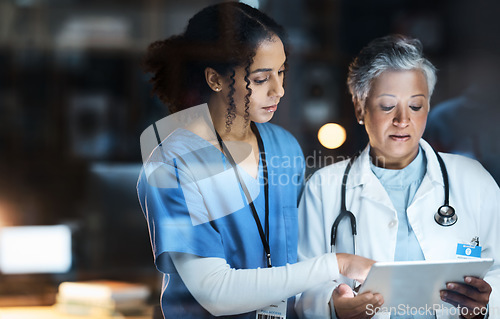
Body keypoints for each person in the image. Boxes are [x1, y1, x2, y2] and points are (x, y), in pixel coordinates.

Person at [137, 3, 377, 318]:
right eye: (262, 79)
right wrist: (335, 264)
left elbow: (300, 261)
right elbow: (215, 293)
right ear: (215, 79)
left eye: (281, 73)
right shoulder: (172, 164)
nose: (279, 90)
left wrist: (334, 300)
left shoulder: (284, 148)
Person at [296, 34, 500, 319]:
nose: (403, 120)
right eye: (387, 105)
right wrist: (332, 307)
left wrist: (485, 306)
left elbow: (498, 271)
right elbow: (301, 285)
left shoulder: (473, 180)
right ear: (359, 107)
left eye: (415, 106)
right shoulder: (324, 187)